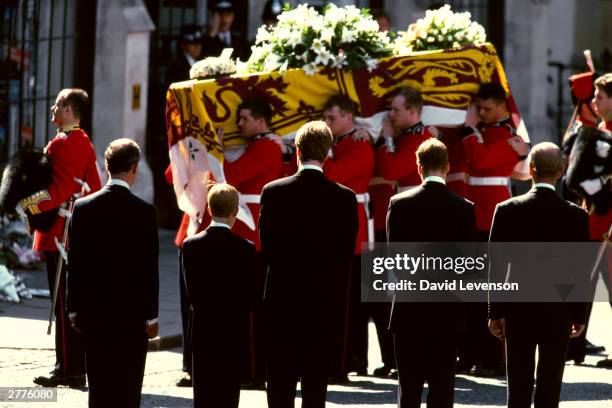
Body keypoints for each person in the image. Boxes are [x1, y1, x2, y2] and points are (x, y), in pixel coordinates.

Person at [259, 121, 358, 408]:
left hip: (283, 298)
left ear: (297, 151)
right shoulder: (344, 197)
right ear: (327, 154)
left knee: (280, 382)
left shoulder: (274, 191)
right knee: (315, 385)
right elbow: (344, 253)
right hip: (323, 301)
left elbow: (268, 247)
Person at [488, 142, 589, 407]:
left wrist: (494, 313)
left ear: (530, 169)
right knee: (550, 387)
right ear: (561, 171)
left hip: (518, 308)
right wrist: (580, 316)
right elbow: (582, 272)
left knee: (518, 387)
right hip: (558, 308)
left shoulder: (507, 210)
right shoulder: (577, 216)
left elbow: (496, 268)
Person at [67, 139, 159, 407]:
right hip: (131, 315)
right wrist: (151, 315)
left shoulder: (83, 208)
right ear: (134, 168)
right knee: (128, 389)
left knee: (99, 386)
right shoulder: (144, 211)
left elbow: (76, 262)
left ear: (106, 166)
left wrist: (73, 308)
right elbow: (149, 268)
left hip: (94, 313)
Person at [19, 88, 101, 388]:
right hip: (72, 228)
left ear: (69, 110)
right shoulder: (83, 141)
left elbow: (61, 189)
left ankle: (68, 367)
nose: (53, 108)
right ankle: (73, 364)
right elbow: (91, 184)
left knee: (64, 303)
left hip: (60, 232)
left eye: (58, 104)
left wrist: (28, 205)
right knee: (70, 302)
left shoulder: (64, 144)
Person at [387, 138, 476, 408]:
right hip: (447, 309)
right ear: (447, 166)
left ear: (418, 167)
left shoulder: (399, 203)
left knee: (409, 387)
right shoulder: (464, 207)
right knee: (442, 387)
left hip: (409, 307)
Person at [458, 82, 528, 376]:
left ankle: (493, 358)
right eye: (479, 109)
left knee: (490, 293)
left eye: (487, 109)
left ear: (502, 107)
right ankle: (471, 353)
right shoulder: (484, 133)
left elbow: (481, 159)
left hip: (492, 221)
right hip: (475, 218)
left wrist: (468, 131)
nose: (482, 114)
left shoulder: (509, 137)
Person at [221, 98, 282, 388]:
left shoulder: (267, 146)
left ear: (260, 120)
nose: (239, 124)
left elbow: (232, 177)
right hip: (246, 232)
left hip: (253, 235)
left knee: (253, 310)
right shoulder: (260, 144)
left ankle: (256, 371)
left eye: (244, 118)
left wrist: (214, 153)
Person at [322, 95, 382, 379]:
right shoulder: (341, 142)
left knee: (352, 302)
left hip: (354, 228)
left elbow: (333, 174)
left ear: (349, 117)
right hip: (337, 224)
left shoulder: (359, 145)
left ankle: (352, 358)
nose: (326, 123)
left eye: (331, 118)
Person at [181, 183, 256, 408]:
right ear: (235, 212)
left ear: (210, 210)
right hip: (233, 331)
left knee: (203, 394)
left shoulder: (191, 244)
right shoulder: (246, 247)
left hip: (203, 329)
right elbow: (250, 296)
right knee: (228, 394)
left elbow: (190, 293)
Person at [165, 23, 204, 388]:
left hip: (220, 226)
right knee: (191, 304)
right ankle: (191, 364)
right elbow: (169, 176)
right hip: (192, 226)